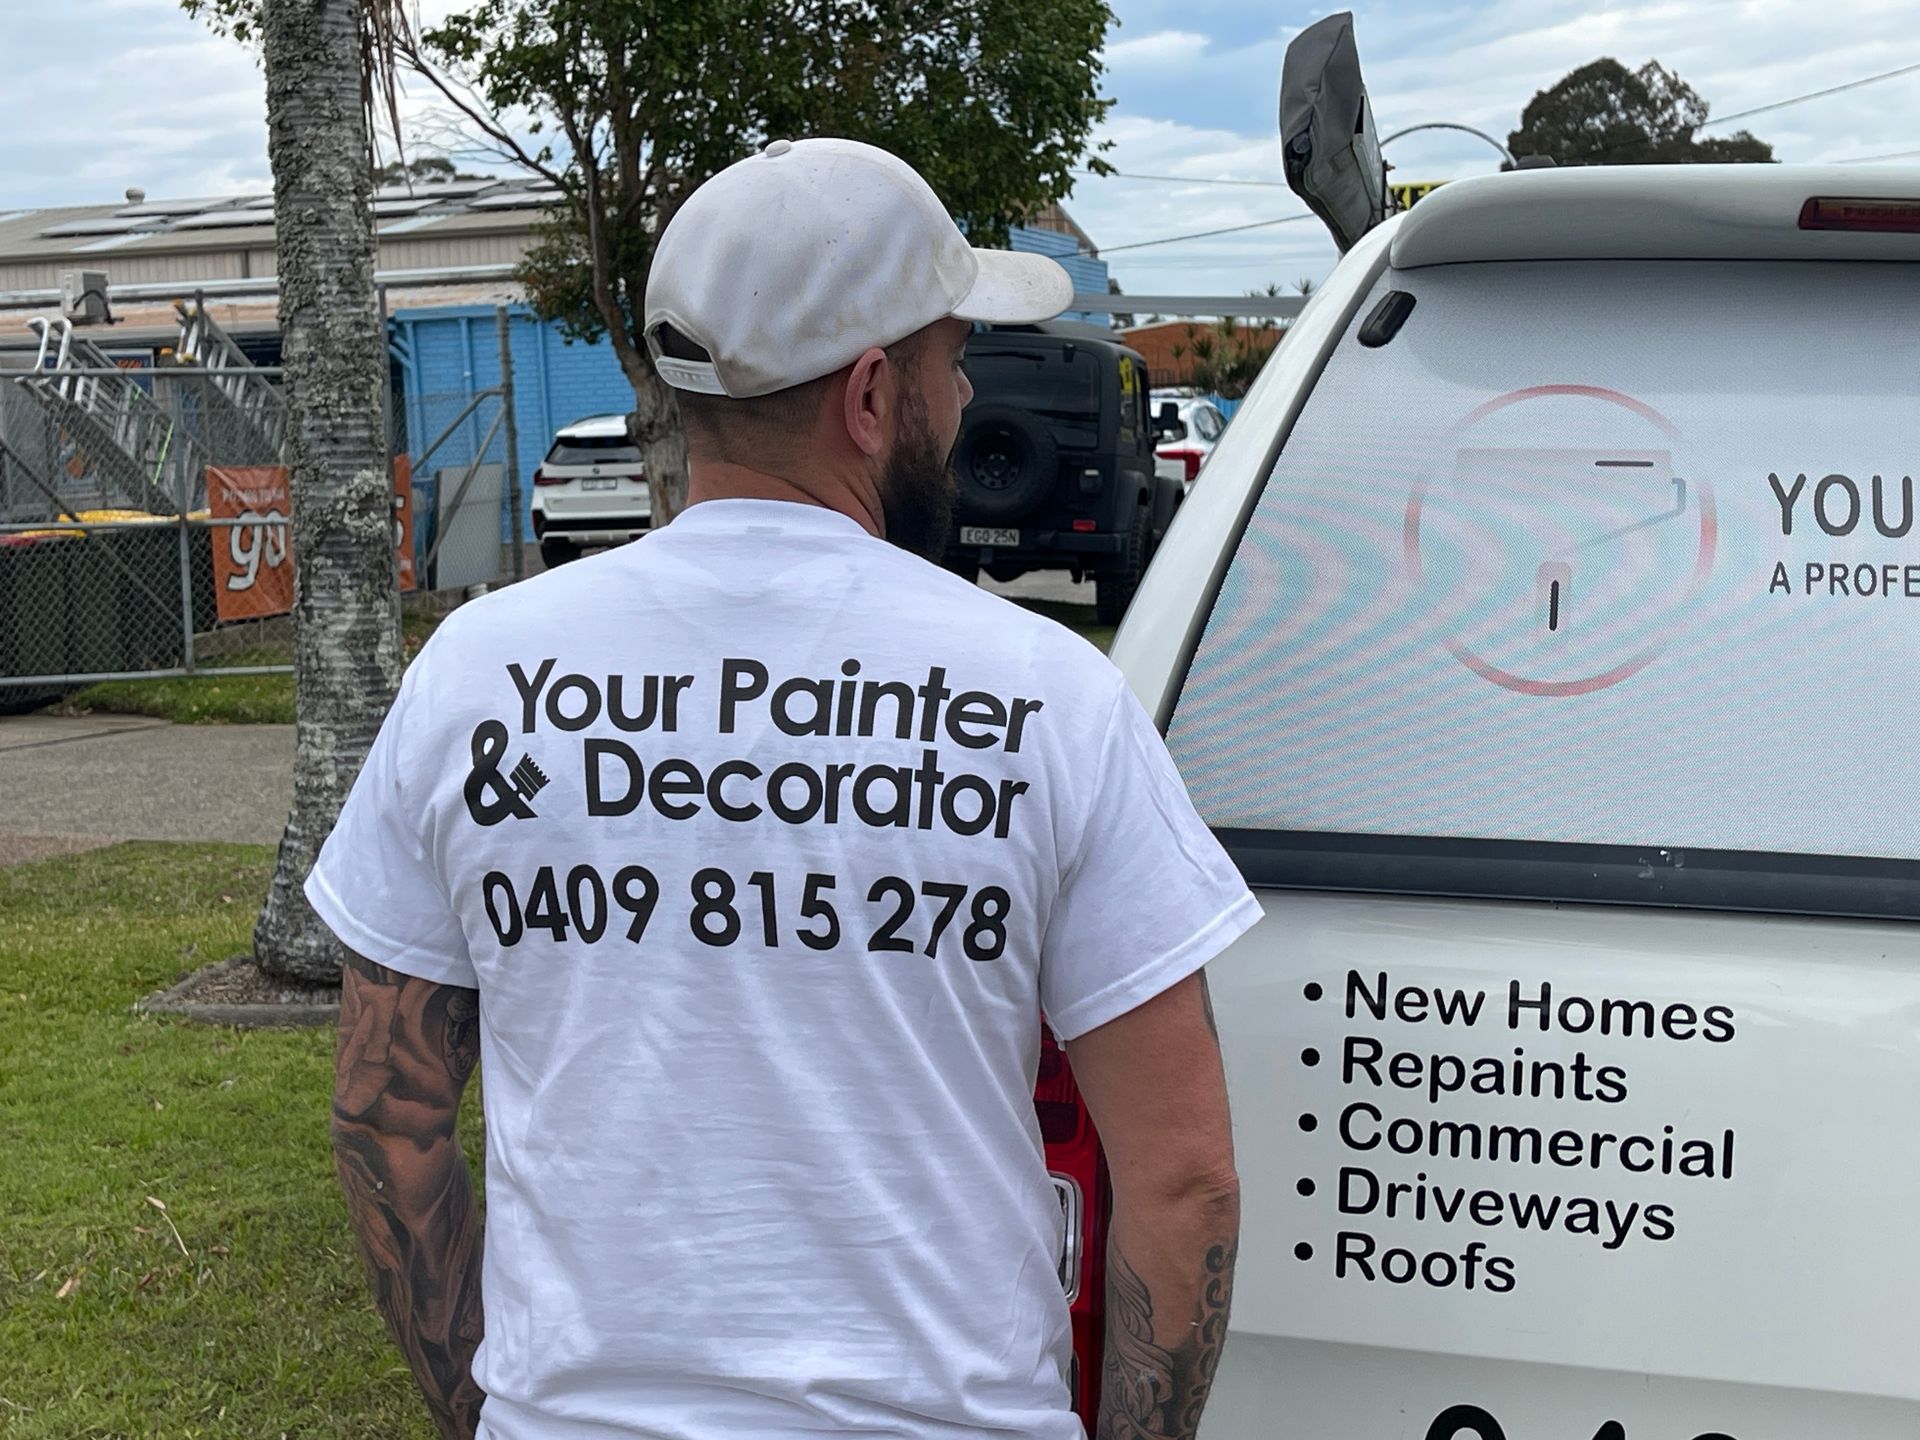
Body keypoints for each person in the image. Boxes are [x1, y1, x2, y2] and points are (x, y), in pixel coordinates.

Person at [310, 137, 1259, 1440]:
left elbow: (386, 1108)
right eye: (951, 358)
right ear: (872, 399)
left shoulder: (475, 678)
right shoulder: (1048, 699)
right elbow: (1187, 1179)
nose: (970, 389)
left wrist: (492, 1410)